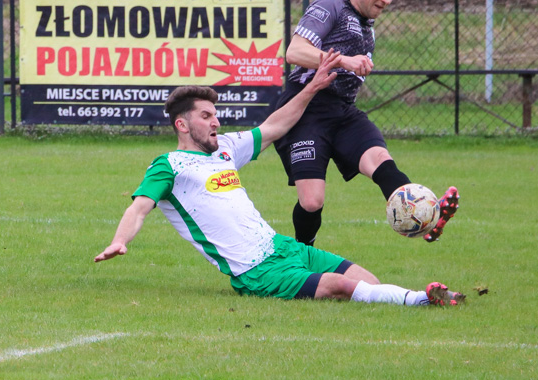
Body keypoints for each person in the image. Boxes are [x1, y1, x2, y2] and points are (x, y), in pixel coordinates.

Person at [94, 50, 465, 306]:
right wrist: (119, 241)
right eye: (206, 116)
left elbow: (275, 125)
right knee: (341, 286)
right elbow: (140, 207)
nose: (216, 121)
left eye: (215, 114)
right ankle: (422, 299)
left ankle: (413, 298)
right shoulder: (168, 165)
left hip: (282, 247)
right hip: (254, 271)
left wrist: (314, 85)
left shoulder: (225, 149)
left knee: (363, 276)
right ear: (182, 124)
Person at [273, 0, 459, 246]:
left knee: (380, 161)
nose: (387, 0)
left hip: (343, 111)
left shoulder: (366, 26)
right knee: (311, 201)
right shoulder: (330, 4)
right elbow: (295, 51)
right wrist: (344, 61)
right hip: (306, 108)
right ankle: (302, 256)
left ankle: (426, 217)